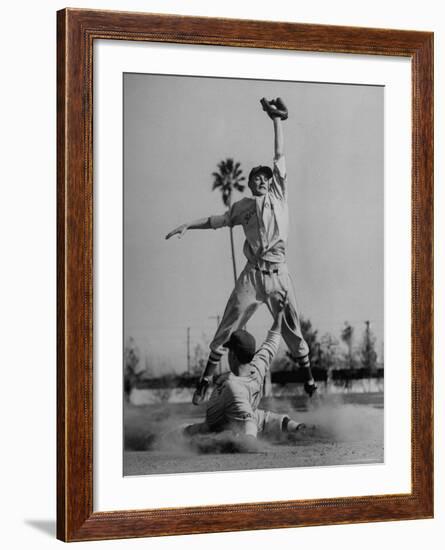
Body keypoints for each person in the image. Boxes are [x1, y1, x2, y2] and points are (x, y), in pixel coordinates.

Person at [166, 97, 317, 404]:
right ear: (249, 184)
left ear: (271, 183)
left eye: (265, 177)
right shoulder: (244, 207)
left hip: (279, 273)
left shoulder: (279, 194)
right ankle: (205, 380)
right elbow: (217, 221)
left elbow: (278, 154)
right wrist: (187, 225)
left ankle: (311, 382)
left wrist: (276, 121)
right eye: (255, 178)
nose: (261, 180)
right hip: (253, 274)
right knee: (229, 320)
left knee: (292, 327)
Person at [184, 294, 308, 439]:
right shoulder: (258, 364)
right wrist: (279, 313)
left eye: (229, 350)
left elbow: (248, 423)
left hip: (220, 426)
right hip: (247, 413)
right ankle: (298, 427)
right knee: (268, 418)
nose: (227, 354)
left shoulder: (233, 386)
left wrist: (249, 440)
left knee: (207, 431)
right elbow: (273, 337)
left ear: (234, 356)